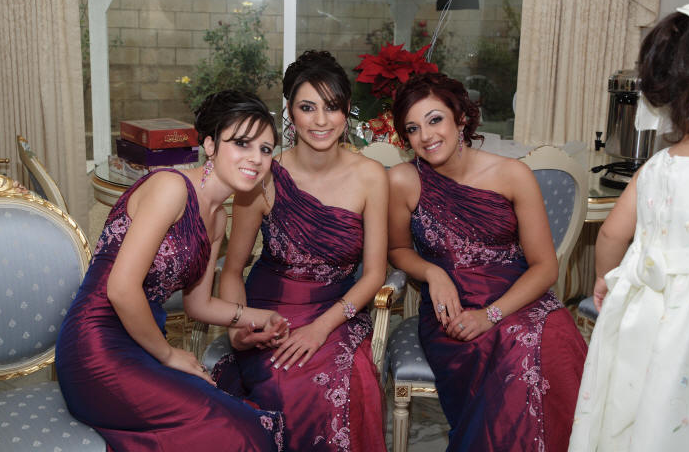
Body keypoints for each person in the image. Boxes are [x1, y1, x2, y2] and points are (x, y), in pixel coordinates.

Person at [56, 90, 289, 452]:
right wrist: (167, 354)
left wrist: (261, 317)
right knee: (234, 431)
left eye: (266, 148)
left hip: (145, 340)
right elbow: (121, 289)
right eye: (242, 143)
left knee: (239, 421)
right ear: (210, 145)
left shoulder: (216, 221)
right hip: (96, 346)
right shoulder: (171, 188)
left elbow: (199, 305)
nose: (256, 158)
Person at [387, 72, 588, 451]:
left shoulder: (513, 175)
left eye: (435, 120)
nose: (426, 136)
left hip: (521, 299)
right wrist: (433, 272)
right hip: (453, 311)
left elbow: (545, 267)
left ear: (461, 118)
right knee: (510, 356)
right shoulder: (403, 180)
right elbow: (397, 249)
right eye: (413, 128)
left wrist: (491, 315)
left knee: (552, 346)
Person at [216, 50, 388, 451]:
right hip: (269, 313)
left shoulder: (371, 177)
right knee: (283, 387)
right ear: (290, 112)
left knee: (341, 385)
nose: (321, 120)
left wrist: (321, 327)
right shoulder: (262, 175)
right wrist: (238, 328)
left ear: (347, 110)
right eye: (308, 107)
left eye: (332, 107)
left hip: (336, 312)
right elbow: (232, 270)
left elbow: (374, 275)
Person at [568, 7, 689, 452]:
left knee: (637, 406)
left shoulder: (657, 167)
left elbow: (611, 235)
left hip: (644, 311)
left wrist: (606, 278)